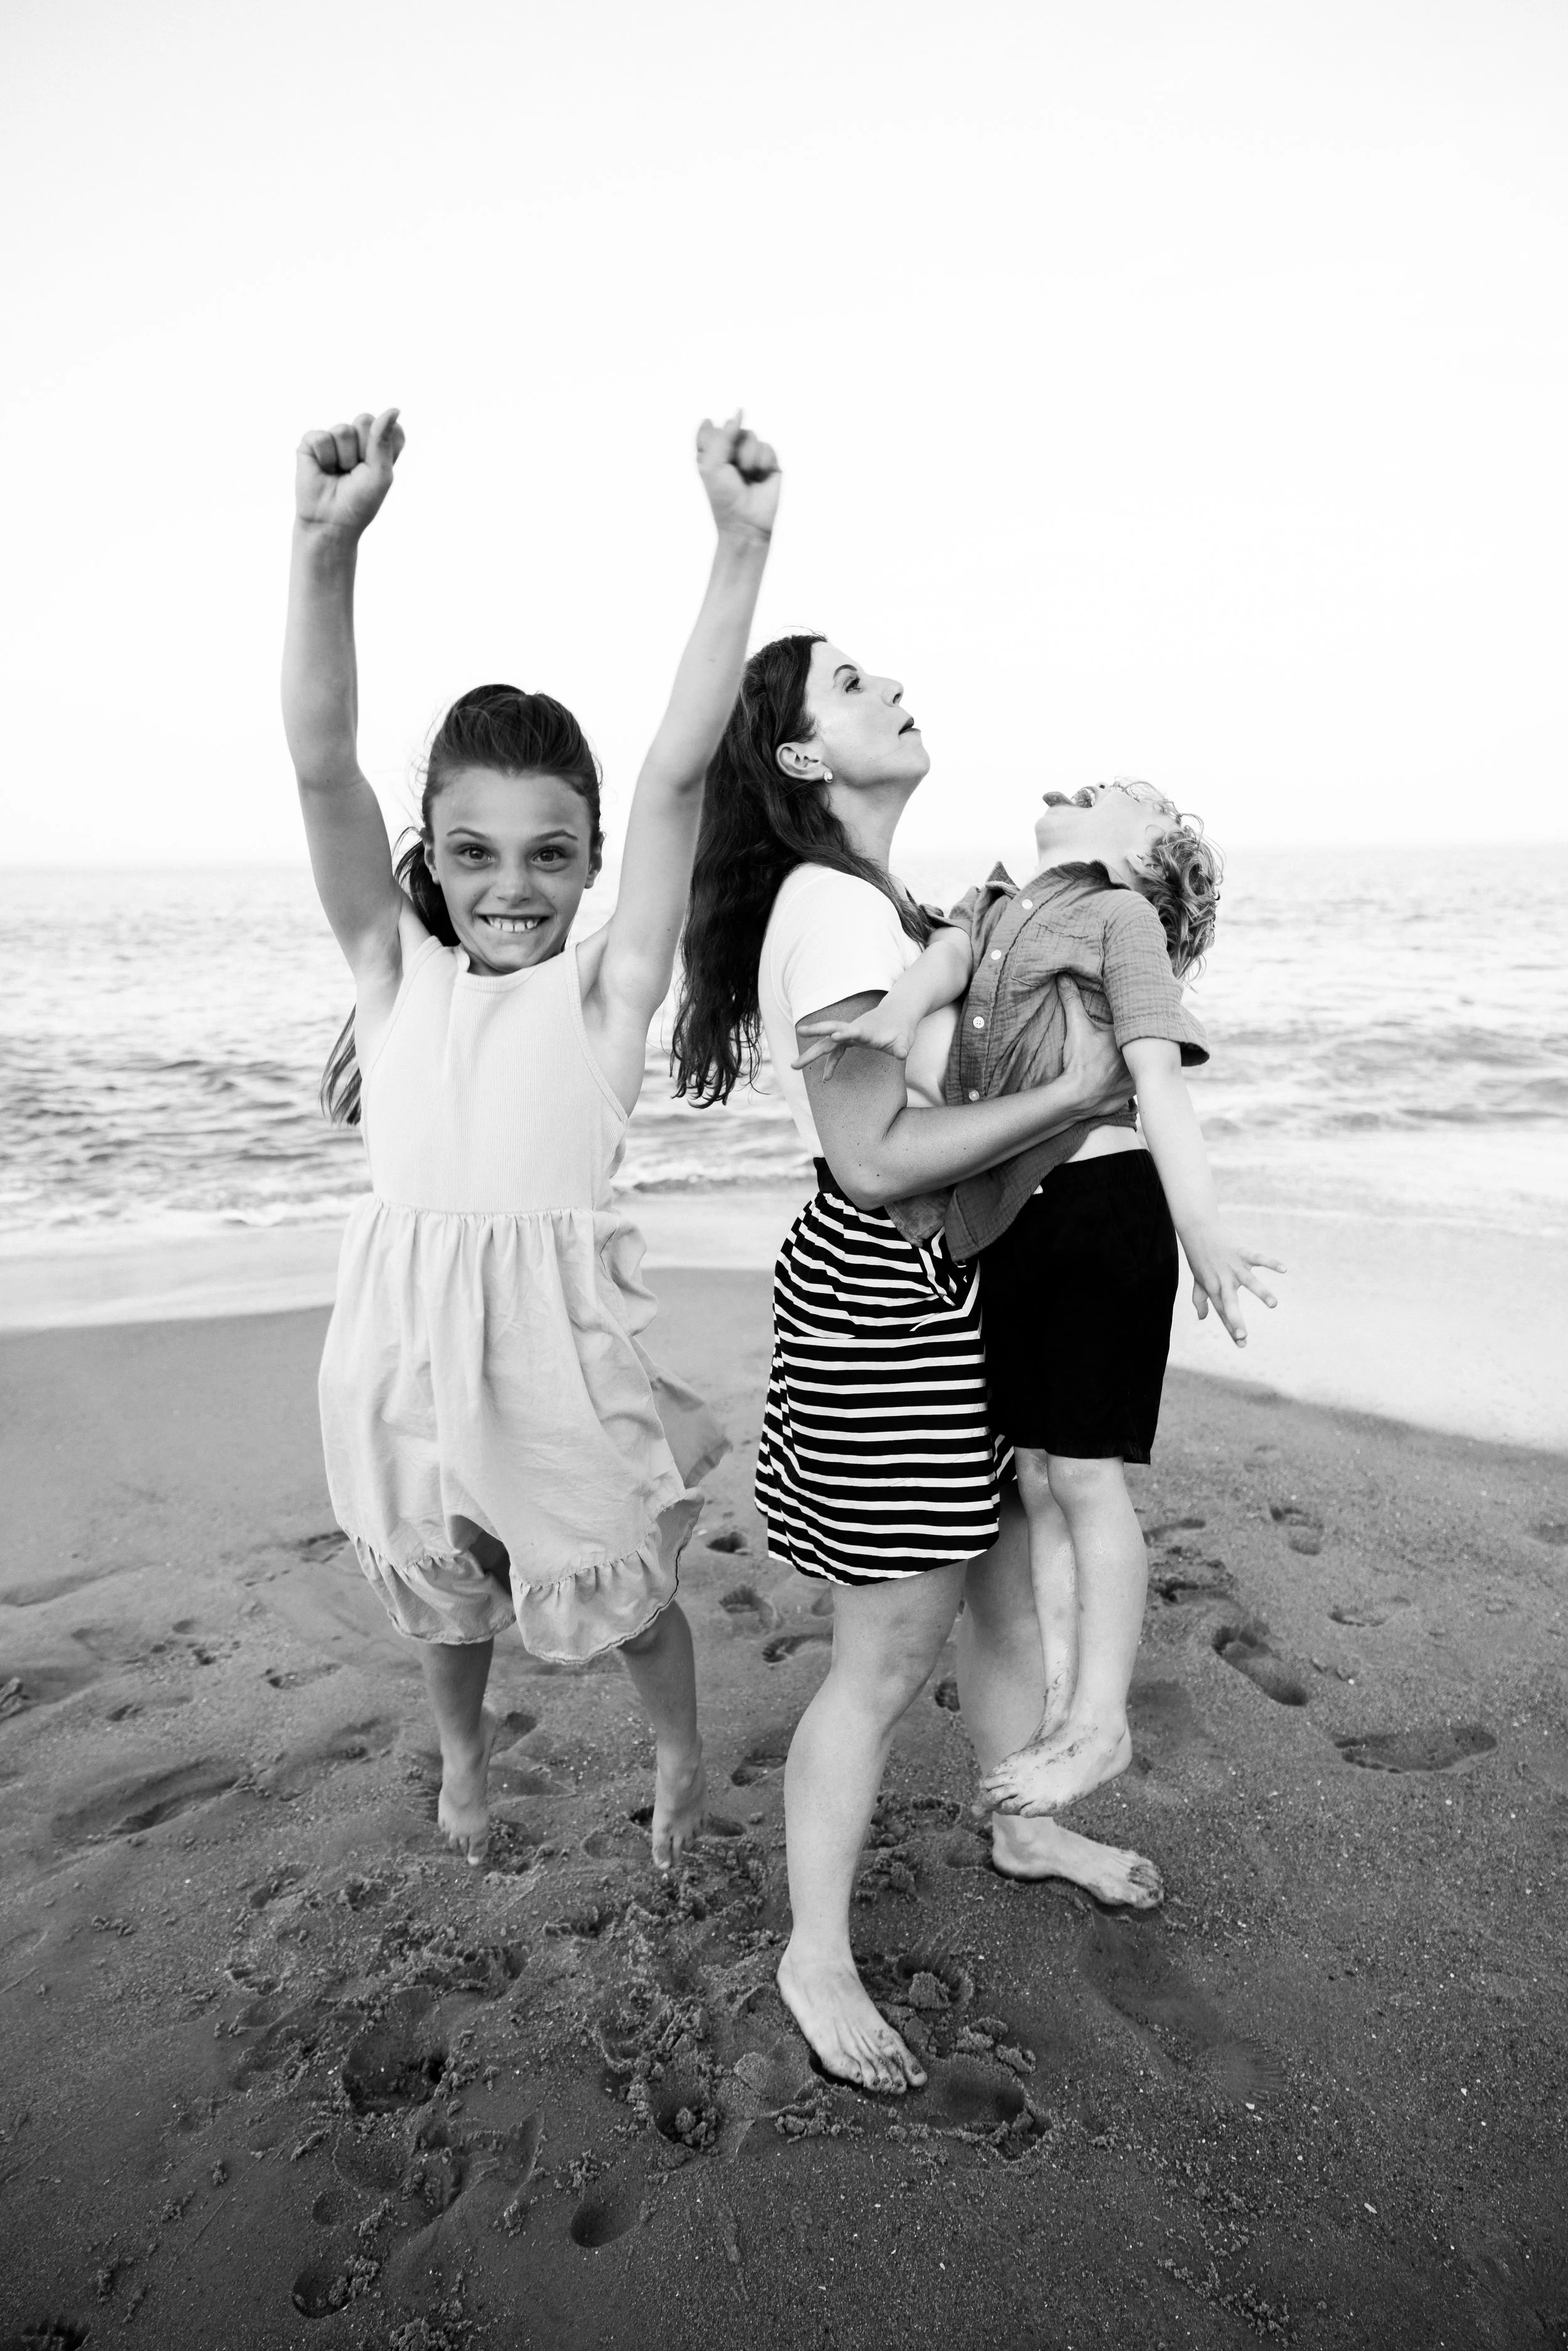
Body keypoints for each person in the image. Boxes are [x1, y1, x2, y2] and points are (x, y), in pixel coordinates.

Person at [282, 403, 779, 1869]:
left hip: (557, 1354)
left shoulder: (609, 989)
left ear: (590, 862)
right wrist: (324, 550)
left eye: (550, 852)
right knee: (446, 1585)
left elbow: (681, 773)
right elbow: (322, 766)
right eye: (475, 850)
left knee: (622, 1588)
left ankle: (678, 1756)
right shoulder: (391, 973)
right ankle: (460, 1753)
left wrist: (738, 543)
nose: (512, 885)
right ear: (429, 850)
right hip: (402, 1344)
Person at [671, 637, 1165, 2096]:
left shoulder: (883, 901)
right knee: (884, 1656)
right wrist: (1078, 1091)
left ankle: (1020, 1820)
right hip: (886, 1300)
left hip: (953, 1284)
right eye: (847, 682)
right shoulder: (826, 906)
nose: (889, 684)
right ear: (802, 756)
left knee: (1003, 1568)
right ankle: (812, 1947)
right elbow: (874, 1153)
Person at [795, 780, 1282, 1820]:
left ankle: (1101, 1721)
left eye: (1119, 795)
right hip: (1016, 1233)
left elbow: (1156, 1079)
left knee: (1085, 1477)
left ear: (1151, 856)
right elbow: (945, 961)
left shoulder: (1123, 920)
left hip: (1107, 1208)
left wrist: (1202, 1228)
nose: (1077, 786)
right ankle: (1059, 1695)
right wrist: (894, 1009)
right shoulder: (994, 902)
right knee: (1032, 1481)